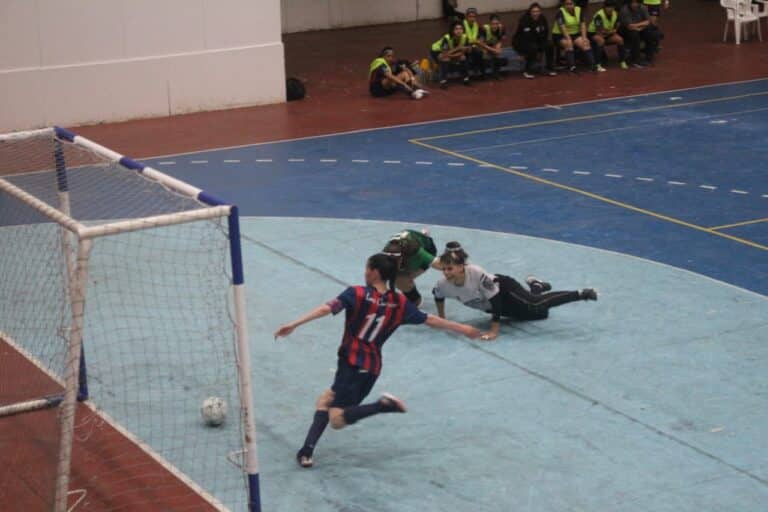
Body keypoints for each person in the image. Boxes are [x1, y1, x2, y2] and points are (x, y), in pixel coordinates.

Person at [275, 253, 481, 468]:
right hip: (372, 367)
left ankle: (383, 406)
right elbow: (429, 319)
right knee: (327, 398)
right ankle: (306, 451)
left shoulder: (356, 293)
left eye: (367, 268)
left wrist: (294, 324)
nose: (365, 272)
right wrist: (463, 328)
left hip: (351, 363)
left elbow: (327, 308)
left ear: (374, 272)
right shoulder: (400, 302)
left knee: (336, 418)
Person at [432, 242, 598, 341]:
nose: (446, 273)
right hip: (493, 306)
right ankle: (536, 285)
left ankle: (581, 294)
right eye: (444, 269)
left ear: (461, 267)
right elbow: (437, 295)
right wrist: (442, 319)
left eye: (450, 269)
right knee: (541, 314)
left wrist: (494, 330)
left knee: (535, 304)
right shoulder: (443, 284)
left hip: (504, 289)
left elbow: (495, 299)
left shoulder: (475, 272)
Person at [381, 229, 442, 306]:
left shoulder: (414, 250)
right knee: (394, 276)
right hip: (409, 242)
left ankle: (416, 301)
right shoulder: (383, 258)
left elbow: (437, 264)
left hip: (426, 250)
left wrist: (458, 269)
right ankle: (422, 236)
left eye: (395, 263)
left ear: (401, 258)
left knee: (401, 280)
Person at [513, 2, 558, 79]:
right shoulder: (525, 19)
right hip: (521, 42)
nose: (535, 13)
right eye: (533, 12)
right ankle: (527, 70)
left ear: (540, 12)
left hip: (537, 41)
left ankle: (549, 68)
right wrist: (521, 53)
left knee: (549, 45)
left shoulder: (542, 18)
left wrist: (543, 45)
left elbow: (546, 32)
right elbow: (527, 37)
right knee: (533, 47)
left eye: (537, 11)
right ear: (530, 12)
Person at [551, 0, 597, 73]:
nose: (568, 6)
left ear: (574, 4)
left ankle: (593, 65)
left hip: (575, 34)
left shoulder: (579, 10)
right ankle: (572, 67)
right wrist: (569, 39)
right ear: (564, 5)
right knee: (568, 44)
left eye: (570, 4)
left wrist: (584, 37)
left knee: (585, 43)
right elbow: (562, 27)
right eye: (566, 4)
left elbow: (583, 25)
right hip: (560, 35)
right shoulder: (560, 12)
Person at [588, 0, 627, 69]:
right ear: (604, 7)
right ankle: (598, 64)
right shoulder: (599, 15)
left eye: (612, 7)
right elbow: (599, 32)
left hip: (607, 33)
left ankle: (622, 61)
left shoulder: (615, 14)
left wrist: (611, 31)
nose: (610, 9)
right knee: (601, 41)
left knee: (620, 40)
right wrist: (611, 32)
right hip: (593, 34)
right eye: (608, 7)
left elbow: (616, 27)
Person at [619, 0, 660, 67]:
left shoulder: (643, 8)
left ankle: (649, 57)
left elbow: (648, 21)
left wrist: (639, 27)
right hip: (625, 31)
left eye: (636, 2)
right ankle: (636, 60)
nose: (634, 4)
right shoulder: (624, 10)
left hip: (639, 28)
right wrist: (640, 26)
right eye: (632, 2)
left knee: (651, 34)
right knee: (634, 35)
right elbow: (629, 26)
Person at [431, 20, 471, 88]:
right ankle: (443, 81)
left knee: (463, 57)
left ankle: (466, 78)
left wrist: (461, 52)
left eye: (460, 28)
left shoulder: (464, 37)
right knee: (446, 59)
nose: (459, 31)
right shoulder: (447, 38)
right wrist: (457, 49)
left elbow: (465, 51)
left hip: (451, 53)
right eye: (456, 29)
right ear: (452, 30)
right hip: (437, 51)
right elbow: (444, 54)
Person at [477, 14, 508, 79]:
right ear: (489, 23)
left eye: (496, 23)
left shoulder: (502, 29)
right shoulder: (484, 29)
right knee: (484, 54)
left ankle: (496, 74)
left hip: (493, 45)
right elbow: (480, 43)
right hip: (483, 46)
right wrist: (493, 50)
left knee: (498, 55)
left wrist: (497, 49)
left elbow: (500, 41)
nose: (495, 26)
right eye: (493, 24)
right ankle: (483, 74)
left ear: (499, 23)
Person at [462, 7, 486, 79]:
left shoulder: (478, 25)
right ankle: (469, 74)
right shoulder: (461, 25)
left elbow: (482, 36)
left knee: (480, 51)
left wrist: (481, 41)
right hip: (464, 46)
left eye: (474, 17)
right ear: (466, 17)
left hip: (474, 46)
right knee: (474, 52)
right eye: (470, 16)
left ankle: (481, 73)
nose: (472, 18)